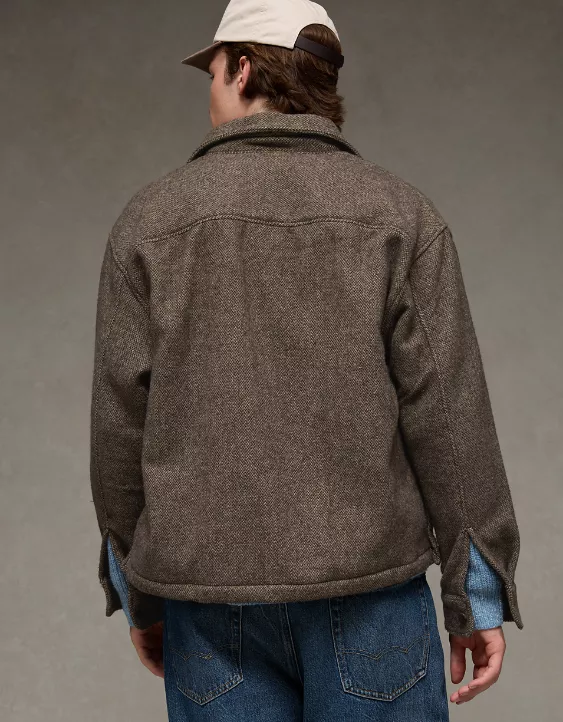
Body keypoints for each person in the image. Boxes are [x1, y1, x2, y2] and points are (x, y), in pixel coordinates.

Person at [89, 0, 524, 719]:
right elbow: (450, 419)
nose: (210, 91)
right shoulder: (400, 217)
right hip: (371, 600)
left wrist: (140, 592)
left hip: (208, 607)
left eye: (213, 71)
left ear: (243, 68)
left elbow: (119, 427)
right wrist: (474, 594)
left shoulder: (149, 224)